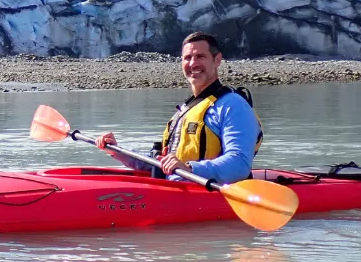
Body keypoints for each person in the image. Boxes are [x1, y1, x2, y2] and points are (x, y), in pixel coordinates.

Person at [96, 32, 263, 184]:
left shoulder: (233, 106)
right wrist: (117, 150)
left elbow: (239, 165)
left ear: (217, 60)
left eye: (201, 56)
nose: (193, 63)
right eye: (187, 57)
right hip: (176, 187)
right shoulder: (186, 110)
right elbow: (159, 162)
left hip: (209, 193)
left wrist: (190, 169)